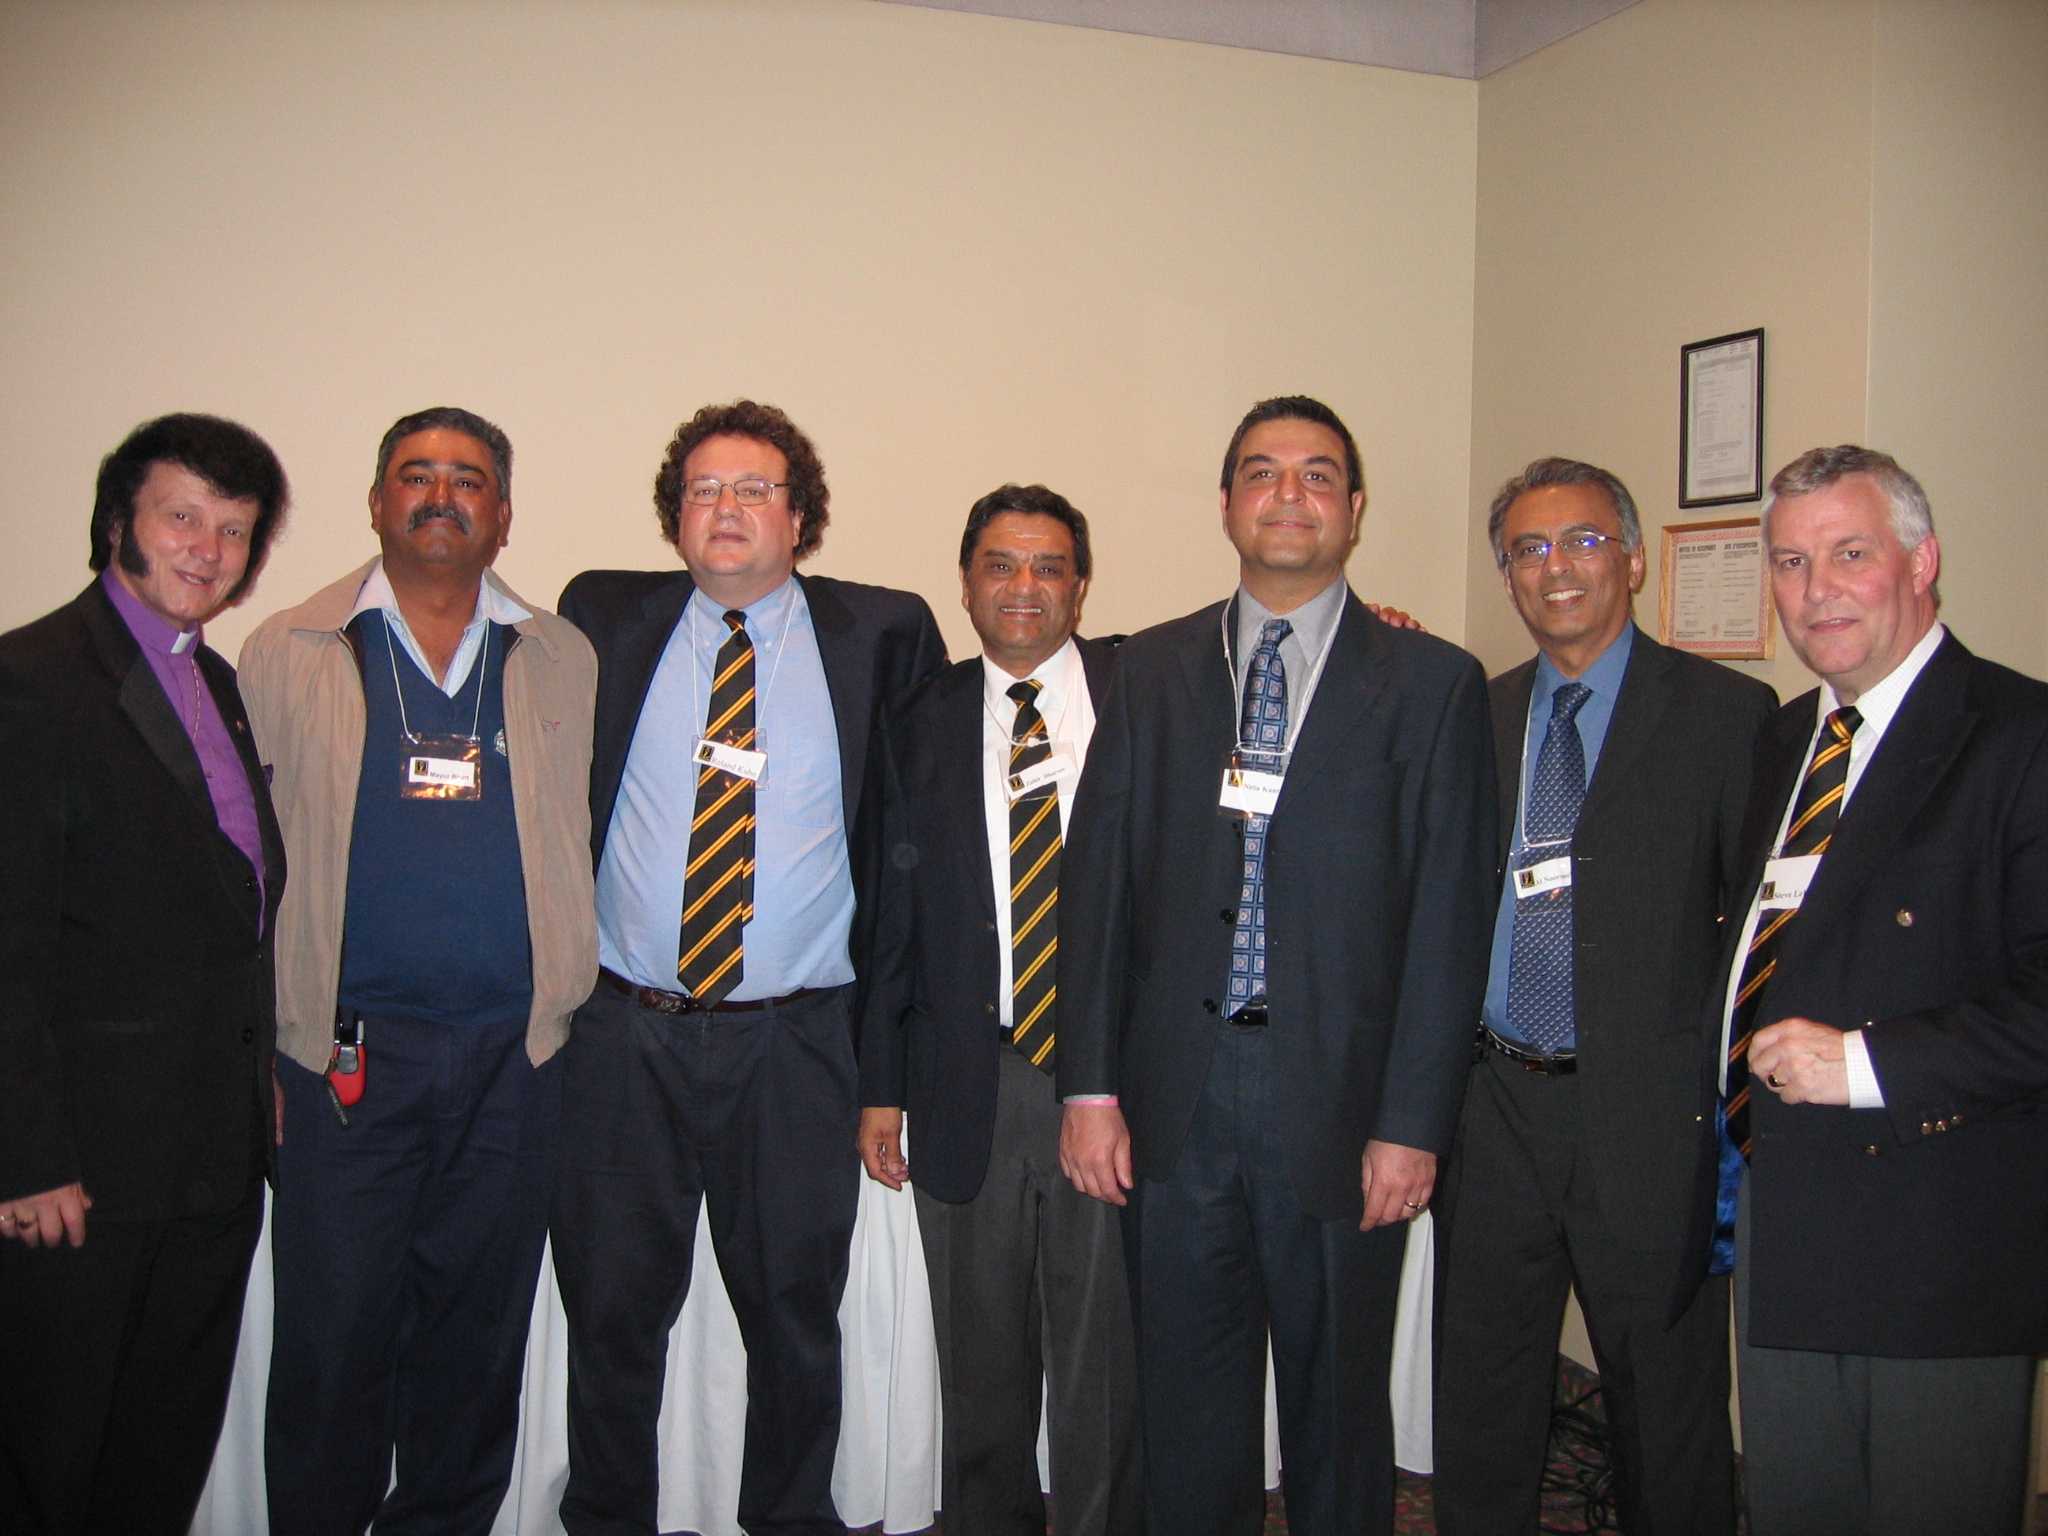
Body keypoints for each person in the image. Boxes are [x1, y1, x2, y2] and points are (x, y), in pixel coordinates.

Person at [1057, 395, 1495, 1536]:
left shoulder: (1431, 682)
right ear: (1225, 505)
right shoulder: (1148, 671)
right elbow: (1097, 895)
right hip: (1172, 1102)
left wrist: (1412, 1123)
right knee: (1184, 1406)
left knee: (1337, 1408)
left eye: (1315, 476)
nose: (1286, 495)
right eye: (1260, 473)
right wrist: (1088, 1088)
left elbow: (1448, 924)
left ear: (1351, 511)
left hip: (1345, 1107)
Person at [551, 399, 946, 1536]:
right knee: (614, 1313)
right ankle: (607, 1519)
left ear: (800, 514)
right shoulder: (599, 615)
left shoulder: (879, 634)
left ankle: (787, 1520)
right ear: (674, 517)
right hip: (626, 1034)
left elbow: (1006, 690)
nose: (726, 510)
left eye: (753, 489)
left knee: (791, 1316)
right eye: (703, 492)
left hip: (796, 1040)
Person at [241, 406, 597, 1536]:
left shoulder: (555, 654)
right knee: (336, 1332)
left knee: (476, 1334)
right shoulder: (292, 648)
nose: (440, 494)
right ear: (377, 502)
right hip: (346, 1052)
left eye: (467, 478)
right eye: (415, 475)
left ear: (501, 515)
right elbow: (244, 867)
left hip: (513, 1055)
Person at [1430, 457, 1772, 1534]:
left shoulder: (1728, 715)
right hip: (1492, 1104)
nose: (1554, 568)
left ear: (1628, 558)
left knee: (1661, 1399)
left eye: (1579, 540)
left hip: (1643, 1113)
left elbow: (1753, 933)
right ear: (1506, 576)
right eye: (1526, 550)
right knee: (1480, 1389)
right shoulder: (1473, 717)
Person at [1711, 444, 2048, 1535]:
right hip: (1779, 1218)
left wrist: (1860, 1063)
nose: (1814, 590)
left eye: (1847, 554)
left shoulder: (2017, 735)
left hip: (1934, 1233)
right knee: (1793, 1509)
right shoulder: (1780, 743)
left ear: (1920, 562)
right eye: (1789, 562)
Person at [0, 413, 289, 1534]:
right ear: (119, 519)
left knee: (157, 1455)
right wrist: (26, 1160)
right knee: (48, 1462)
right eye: (182, 517)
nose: (206, 549)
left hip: (209, 1162)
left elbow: (234, 918)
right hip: (77, 1179)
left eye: (234, 529)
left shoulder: (213, 680)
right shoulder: (31, 680)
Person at [857, 484, 1139, 1536]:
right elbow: (891, 911)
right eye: (1000, 566)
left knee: (1101, 1367)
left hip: (1107, 1087)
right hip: (965, 1083)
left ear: (1080, 583)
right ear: (966, 582)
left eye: (1048, 566)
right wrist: (880, 1087)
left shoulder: (1144, 690)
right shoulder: (918, 717)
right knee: (978, 1370)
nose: (1024, 587)